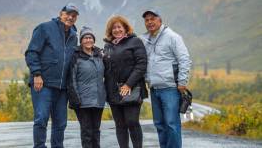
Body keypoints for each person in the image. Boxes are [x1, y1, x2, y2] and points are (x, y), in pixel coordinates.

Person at [25, 3, 79, 148]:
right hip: (43, 84)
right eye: (68, 14)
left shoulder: (74, 35)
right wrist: (36, 74)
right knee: (41, 119)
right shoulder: (45, 28)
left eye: (74, 16)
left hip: (62, 87)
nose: (70, 17)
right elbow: (31, 52)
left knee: (60, 123)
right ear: (61, 13)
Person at [141, 9, 192, 148]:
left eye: (153, 18)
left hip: (170, 88)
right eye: (147, 20)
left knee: (171, 124)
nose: (150, 22)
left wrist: (182, 82)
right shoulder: (146, 40)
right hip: (154, 88)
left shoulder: (172, 37)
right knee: (159, 124)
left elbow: (184, 59)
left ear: (160, 20)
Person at [103, 15, 148, 148]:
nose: (116, 30)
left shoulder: (135, 42)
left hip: (132, 88)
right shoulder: (108, 46)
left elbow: (141, 64)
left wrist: (128, 84)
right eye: (113, 28)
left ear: (125, 28)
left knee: (132, 122)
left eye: (119, 27)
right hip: (113, 91)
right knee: (120, 124)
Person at [67, 26, 106, 148]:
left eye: (90, 37)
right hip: (83, 101)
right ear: (81, 41)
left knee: (96, 130)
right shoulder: (76, 56)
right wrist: (75, 98)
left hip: (98, 100)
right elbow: (71, 79)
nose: (88, 40)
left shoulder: (99, 55)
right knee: (87, 132)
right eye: (85, 38)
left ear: (93, 40)